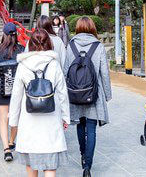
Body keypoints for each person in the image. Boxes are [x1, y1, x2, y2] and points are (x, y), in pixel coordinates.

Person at [8, 28, 70, 176]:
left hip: (29, 122)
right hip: (51, 119)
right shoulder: (54, 64)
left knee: (31, 164)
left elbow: (16, 95)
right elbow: (62, 93)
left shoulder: (23, 65)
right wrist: (65, 117)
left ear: (31, 44)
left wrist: (14, 121)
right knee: (50, 166)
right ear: (49, 43)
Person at [63, 16, 112, 177]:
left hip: (75, 92)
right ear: (92, 28)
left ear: (77, 28)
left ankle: (83, 155)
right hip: (93, 93)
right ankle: (88, 167)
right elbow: (104, 72)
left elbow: (65, 71)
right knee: (91, 129)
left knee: (80, 124)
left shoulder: (70, 46)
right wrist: (107, 94)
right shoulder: (98, 46)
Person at [0, 22, 25, 162]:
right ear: (16, 34)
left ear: (3, 35)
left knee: (3, 119)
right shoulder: (22, 50)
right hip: (17, 89)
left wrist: (0, 79)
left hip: (2, 88)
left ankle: (6, 150)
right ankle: (11, 141)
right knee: (15, 117)